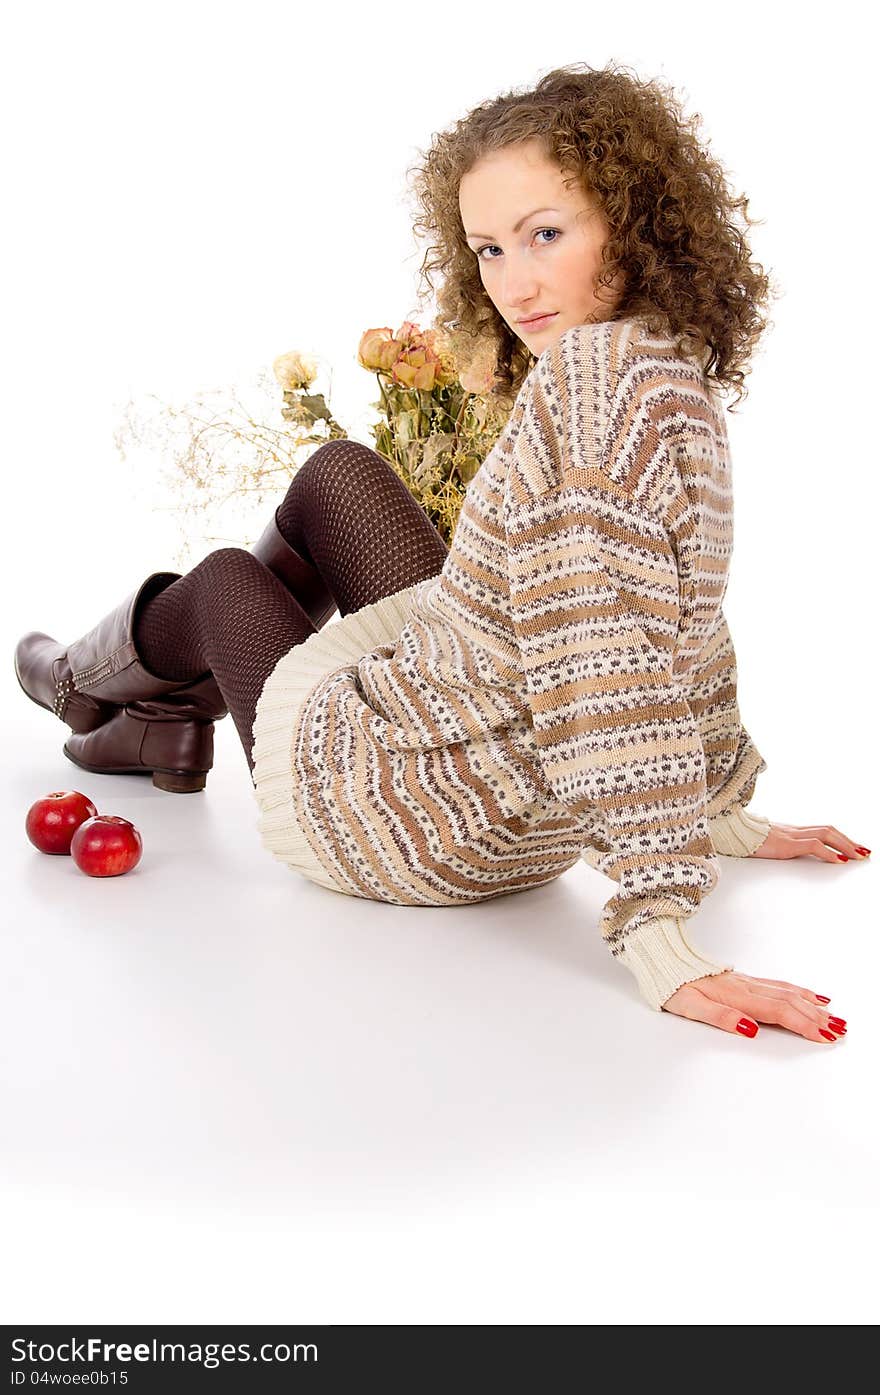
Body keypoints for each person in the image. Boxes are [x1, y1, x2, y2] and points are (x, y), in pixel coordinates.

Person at [15, 62, 865, 1039]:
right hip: (484, 773)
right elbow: (683, 620)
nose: (515, 283)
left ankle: (81, 689)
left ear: (634, 221)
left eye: (546, 234)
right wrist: (717, 810)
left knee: (223, 584)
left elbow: (601, 654)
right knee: (341, 472)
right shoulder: (669, 377)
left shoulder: (591, 383)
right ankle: (148, 715)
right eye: (490, 249)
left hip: (404, 812)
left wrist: (657, 927)